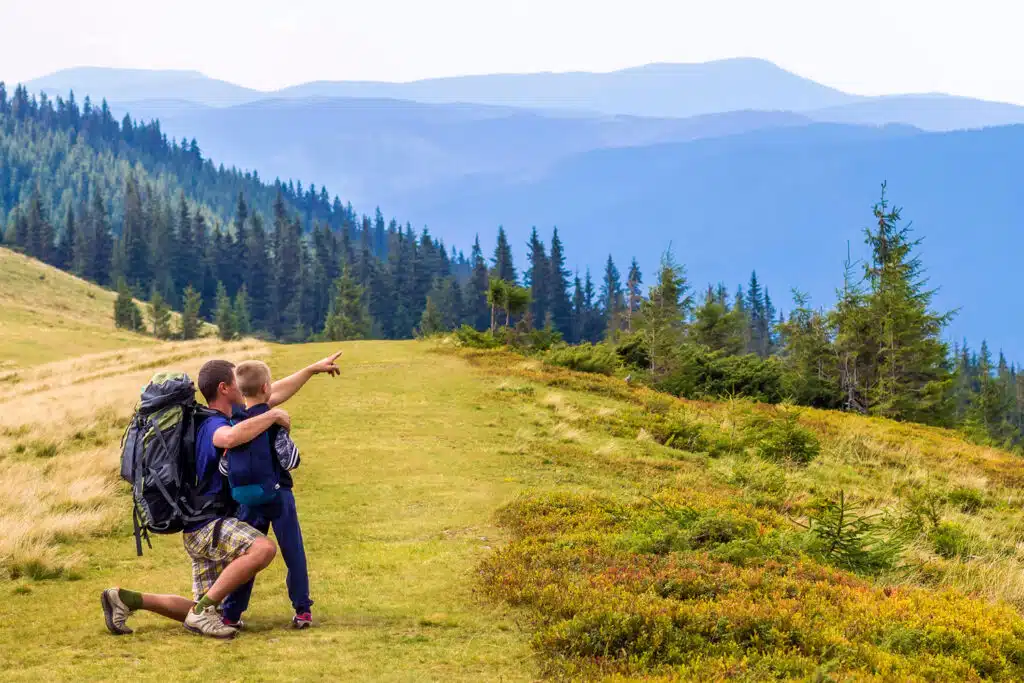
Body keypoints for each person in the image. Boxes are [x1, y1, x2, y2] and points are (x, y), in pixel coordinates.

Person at [101, 351, 342, 638]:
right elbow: (227, 438)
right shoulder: (212, 424)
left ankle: (125, 599)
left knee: (203, 605)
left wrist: (311, 369)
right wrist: (274, 416)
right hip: (209, 525)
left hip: (198, 527)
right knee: (263, 549)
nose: (243, 385)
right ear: (224, 388)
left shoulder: (234, 415)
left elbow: (271, 393)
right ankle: (202, 613)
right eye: (236, 381)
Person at [219, 360, 313, 629]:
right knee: (292, 551)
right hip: (278, 496)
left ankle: (231, 613)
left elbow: (225, 468)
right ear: (266, 388)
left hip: (246, 500)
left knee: (247, 557)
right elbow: (291, 460)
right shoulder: (273, 422)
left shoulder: (234, 426)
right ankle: (302, 608)